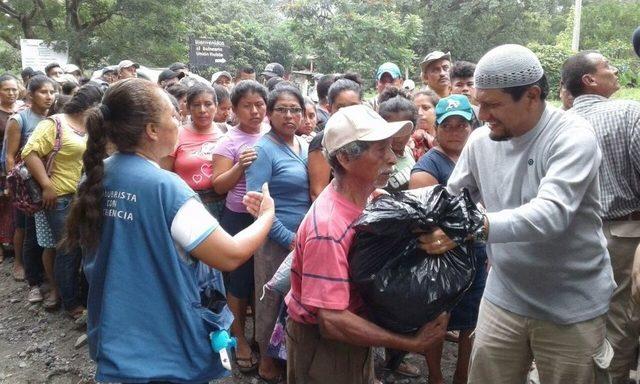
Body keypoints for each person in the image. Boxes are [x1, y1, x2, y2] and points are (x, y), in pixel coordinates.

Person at [419, 44, 615, 384]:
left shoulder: (571, 137)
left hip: (570, 304)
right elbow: (450, 198)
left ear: (532, 95)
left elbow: (550, 214)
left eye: (492, 104)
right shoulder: (481, 142)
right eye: (479, 102)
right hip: (504, 296)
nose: (481, 114)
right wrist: (403, 208)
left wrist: (473, 228)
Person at [59, 78, 274, 383]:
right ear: (151, 130)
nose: (180, 121)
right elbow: (230, 255)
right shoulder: (166, 188)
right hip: (165, 347)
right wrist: (267, 215)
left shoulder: (96, 176)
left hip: (115, 336)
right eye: (174, 116)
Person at [285, 104, 448, 384]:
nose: (393, 159)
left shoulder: (367, 198)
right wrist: (412, 344)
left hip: (354, 336)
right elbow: (332, 322)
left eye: (391, 148)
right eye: (380, 150)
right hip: (327, 348)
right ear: (346, 158)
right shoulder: (328, 228)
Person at [562, 50, 640, 384]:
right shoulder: (629, 112)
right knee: (620, 321)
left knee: (578, 318)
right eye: (608, 66)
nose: (616, 70)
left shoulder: (556, 124)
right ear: (589, 80)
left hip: (571, 235)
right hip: (624, 235)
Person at [410, 94, 485, 384]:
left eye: (461, 125)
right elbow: (422, 225)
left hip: (476, 251)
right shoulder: (427, 169)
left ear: (471, 126)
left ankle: (463, 375)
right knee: (437, 321)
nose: (455, 131)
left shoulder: (476, 156)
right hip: (440, 259)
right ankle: (436, 376)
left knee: (472, 321)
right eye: (448, 125)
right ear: (437, 128)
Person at [246, 85, 311, 382]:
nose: (289, 115)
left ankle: (287, 353)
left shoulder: (305, 145)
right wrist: (287, 238)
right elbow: (257, 203)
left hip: (305, 235)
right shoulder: (263, 149)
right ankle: (266, 362)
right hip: (274, 237)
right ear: (269, 114)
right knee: (270, 297)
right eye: (282, 110)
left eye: (295, 109)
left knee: (295, 299)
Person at [22, 84, 104, 314]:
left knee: (83, 246)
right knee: (67, 248)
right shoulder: (55, 123)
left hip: (83, 195)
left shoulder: (90, 124)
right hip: (59, 196)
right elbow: (30, 153)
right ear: (90, 104)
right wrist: (47, 186)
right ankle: (71, 302)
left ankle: (80, 296)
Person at [211, 80, 268, 373]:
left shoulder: (274, 133)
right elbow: (219, 186)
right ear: (234, 109)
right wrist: (239, 167)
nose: (255, 111)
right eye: (247, 105)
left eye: (259, 104)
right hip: (239, 218)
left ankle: (263, 336)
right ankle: (240, 338)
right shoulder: (228, 141)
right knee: (240, 281)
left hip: (270, 216)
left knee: (264, 281)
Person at [5, 75, 56, 299]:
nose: (49, 96)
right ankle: (32, 281)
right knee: (28, 231)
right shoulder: (19, 120)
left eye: (52, 92)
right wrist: (15, 186)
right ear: (31, 94)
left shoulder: (55, 118)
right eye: (44, 92)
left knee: (46, 235)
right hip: (27, 185)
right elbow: (9, 156)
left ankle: (47, 277)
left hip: (50, 183)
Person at [162, 83, 226, 219]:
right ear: (188, 108)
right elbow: (164, 175)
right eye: (196, 105)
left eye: (208, 104)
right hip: (187, 206)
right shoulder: (176, 135)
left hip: (223, 205)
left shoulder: (227, 133)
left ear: (216, 105)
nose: (202, 110)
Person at [308, 74, 363, 201]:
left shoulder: (365, 138)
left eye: (353, 106)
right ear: (329, 108)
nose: (347, 113)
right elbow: (318, 193)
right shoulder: (322, 142)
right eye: (341, 107)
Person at [0, 74, 21, 265]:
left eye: (14, 89)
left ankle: (13, 245)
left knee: (13, 207)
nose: (12, 93)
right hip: (1, 166)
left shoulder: (22, 110)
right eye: (7, 89)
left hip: (15, 164)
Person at [410, 90, 439, 160]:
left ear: (437, 110)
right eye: (415, 109)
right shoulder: (408, 142)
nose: (419, 113)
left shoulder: (446, 138)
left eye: (425, 108)